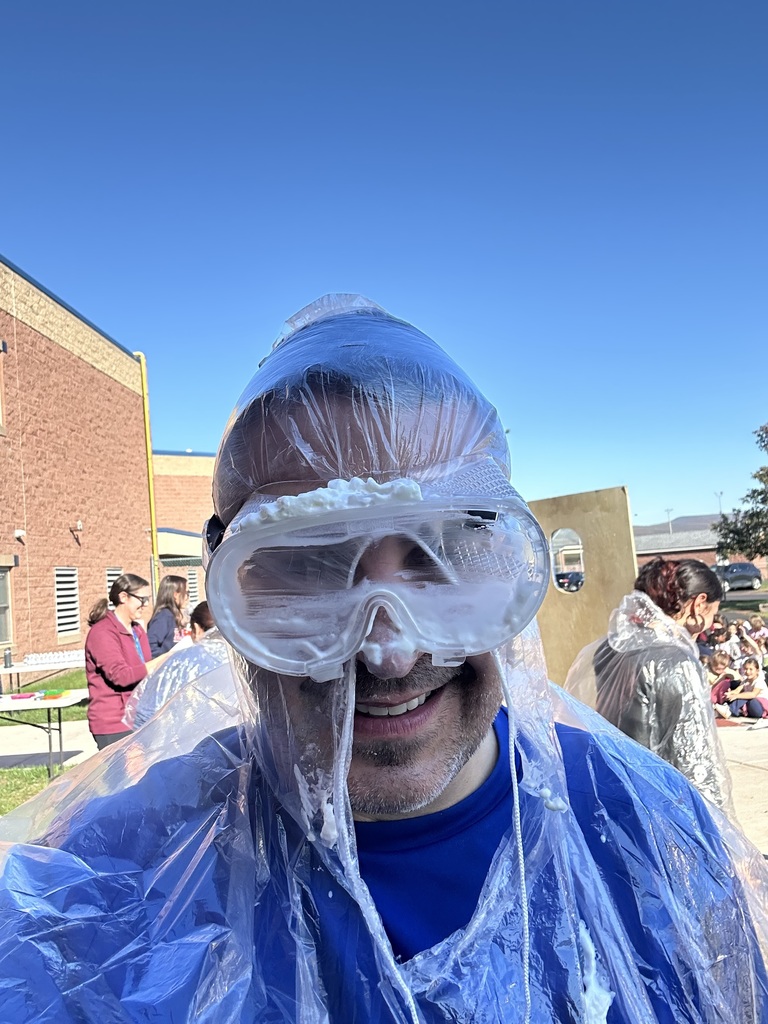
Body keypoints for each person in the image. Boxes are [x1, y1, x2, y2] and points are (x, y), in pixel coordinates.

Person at [2, 296, 768, 1023]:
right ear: (230, 596)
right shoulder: (96, 898)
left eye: (444, 554)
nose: (391, 653)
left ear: (504, 565)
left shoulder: (651, 837)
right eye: (307, 565)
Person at [564, 557, 732, 810]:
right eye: (713, 613)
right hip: (661, 804)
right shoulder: (676, 662)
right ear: (699, 604)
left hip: (610, 791)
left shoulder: (607, 648)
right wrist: (718, 827)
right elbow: (696, 760)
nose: (710, 624)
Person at [84, 573, 174, 748]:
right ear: (123, 597)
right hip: (114, 723)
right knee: (128, 775)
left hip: (139, 717)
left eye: (148, 599)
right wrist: (163, 659)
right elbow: (121, 676)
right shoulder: (102, 633)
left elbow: (145, 670)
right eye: (142, 599)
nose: (146, 605)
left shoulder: (137, 630)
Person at [123, 601, 230, 730]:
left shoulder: (181, 660)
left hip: (184, 743)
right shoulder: (247, 658)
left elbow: (146, 713)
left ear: (196, 628)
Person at [145, 574, 188, 656]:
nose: (187, 597)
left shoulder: (175, 615)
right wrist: (166, 659)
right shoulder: (164, 616)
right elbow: (150, 645)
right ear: (176, 595)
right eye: (186, 593)